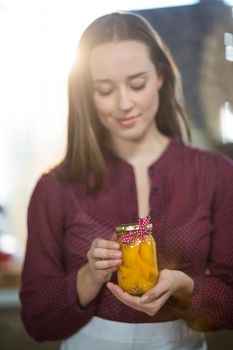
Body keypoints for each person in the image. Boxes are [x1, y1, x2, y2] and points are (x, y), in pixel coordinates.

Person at [20, 11, 233, 350]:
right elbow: (36, 320)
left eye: (137, 84)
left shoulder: (218, 174)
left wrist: (184, 287)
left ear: (161, 76)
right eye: (104, 90)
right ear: (85, 94)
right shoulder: (54, 188)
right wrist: (89, 276)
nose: (124, 103)